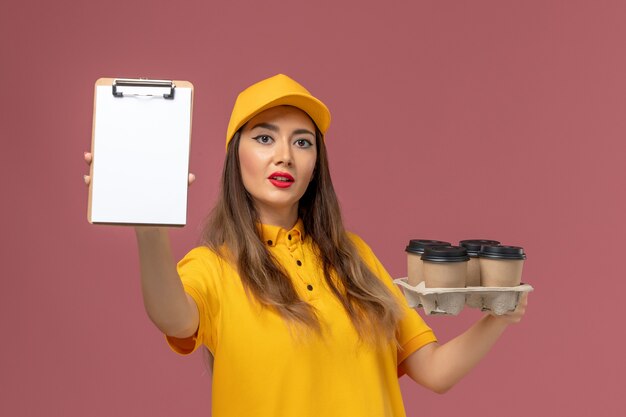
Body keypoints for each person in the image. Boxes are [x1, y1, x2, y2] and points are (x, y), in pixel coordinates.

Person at [84, 74, 528, 417]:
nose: (285, 155)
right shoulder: (214, 267)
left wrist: (499, 316)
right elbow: (174, 318)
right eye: (264, 138)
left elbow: (433, 371)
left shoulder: (355, 257)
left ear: (316, 165)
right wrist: (150, 230)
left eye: (303, 142)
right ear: (235, 156)